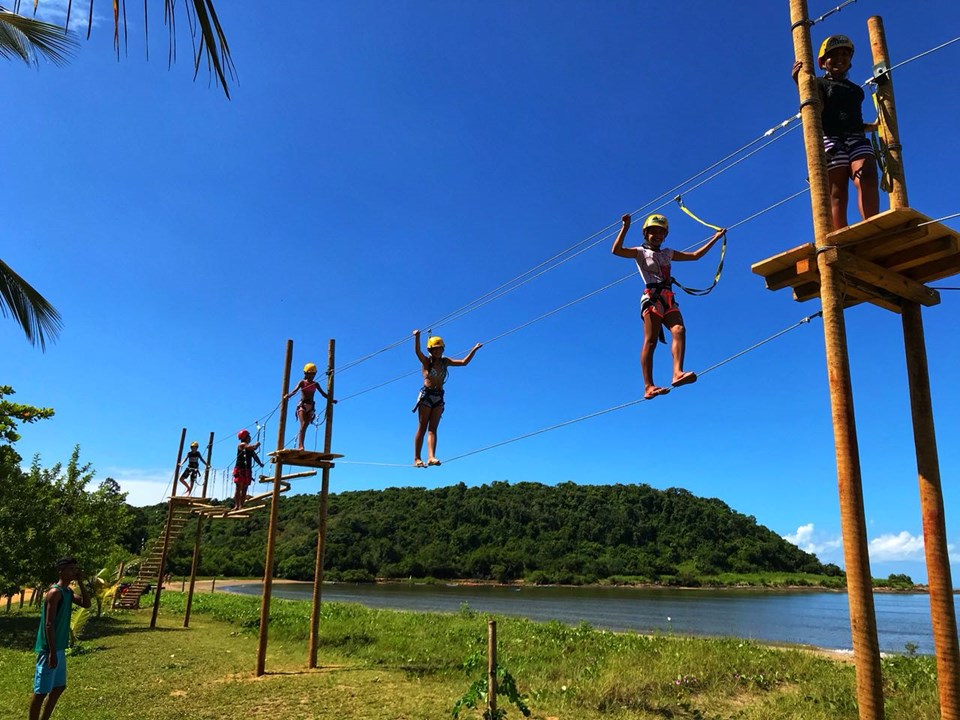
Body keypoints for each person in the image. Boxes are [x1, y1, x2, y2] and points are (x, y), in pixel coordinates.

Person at [612, 213, 725, 400]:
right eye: (653, 231)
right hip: (652, 297)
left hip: (669, 297)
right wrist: (625, 227)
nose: (657, 235)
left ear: (665, 235)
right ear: (645, 233)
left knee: (679, 330)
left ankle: (677, 373)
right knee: (651, 340)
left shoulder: (668, 253)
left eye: (661, 232)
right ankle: (648, 386)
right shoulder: (639, 252)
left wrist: (715, 238)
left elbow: (695, 256)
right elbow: (617, 250)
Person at [792, 34, 880, 230]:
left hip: (856, 137)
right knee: (837, 191)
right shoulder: (819, 83)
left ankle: (873, 225)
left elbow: (851, 120)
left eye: (845, 54)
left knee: (867, 175)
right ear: (823, 62)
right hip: (831, 139)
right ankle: (840, 234)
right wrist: (803, 85)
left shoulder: (856, 90)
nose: (840, 58)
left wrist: (872, 126)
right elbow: (819, 110)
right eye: (834, 55)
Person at [29, 557, 90, 720]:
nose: (74, 572)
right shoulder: (54, 592)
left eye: (75, 569)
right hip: (49, 649)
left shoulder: (68, 592)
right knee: (41, 692)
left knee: (59, 688)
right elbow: (49, 624)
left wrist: (81, 583)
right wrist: (52, 652)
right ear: (61, 571)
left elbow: (86, 604)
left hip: (59, 647)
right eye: (70, 569)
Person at [412, 330, 482, 467]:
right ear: (430, 350)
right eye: (435, 349)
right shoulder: (427, 362)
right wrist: (417, 337)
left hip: (439, 397)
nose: (438, 351)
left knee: (433, 429)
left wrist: (474, 350)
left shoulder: (445, 362)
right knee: (422, 427)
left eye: (440, 349)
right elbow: (418, 352)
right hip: (427, 395)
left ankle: (431, 457)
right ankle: (417, 458)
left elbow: (463, 362)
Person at [283, 362, 336, 451]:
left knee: (306, 425)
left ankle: (301, 444)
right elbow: (295, 391)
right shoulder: (302, 382)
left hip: (311, 406)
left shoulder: (315, 384)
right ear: (306, 373)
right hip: (302, 405)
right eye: (310, 374)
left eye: (313, 374)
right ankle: (301, 445)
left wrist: (331, 400)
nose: (312, 376)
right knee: (303, 424)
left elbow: (323, 394)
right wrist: (288, 395)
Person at [232, 429, 263, 510]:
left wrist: (260, 463)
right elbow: (253, 447)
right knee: (238, 488)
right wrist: (257, 444)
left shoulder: (249, 449)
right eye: (248, 436)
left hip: (247, 470)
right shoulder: (242, 445)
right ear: (245, 437)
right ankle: (237, 505)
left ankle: (241, 505)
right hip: (240, 468)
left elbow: (255, 456)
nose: (250, 438)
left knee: (245, 488)